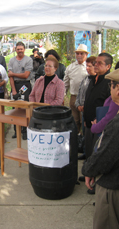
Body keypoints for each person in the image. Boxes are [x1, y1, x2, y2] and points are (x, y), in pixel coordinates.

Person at [82, 69, 119, 229]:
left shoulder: (117, 125)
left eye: (111, 85)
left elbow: (106, 155)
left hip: (113, 186)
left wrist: (89, 170)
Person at [83, 53, 112, 194]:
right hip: (88, 124)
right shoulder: (93, 79)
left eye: (100, 63)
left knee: (97, 155)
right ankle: (88, 173)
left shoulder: (108, 83)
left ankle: (95, 183)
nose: (96, 65)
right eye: (96, 62)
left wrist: (98, 122)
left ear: (108, 66)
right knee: (89, 151)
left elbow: (109, 108)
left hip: (100, 127)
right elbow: (88, 100)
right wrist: (85, 118)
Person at [8, 41, 33, 140]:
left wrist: (13, 74)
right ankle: (16, 130)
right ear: (15, 49)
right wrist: (13, 90)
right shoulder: (11, 60)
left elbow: (26, 75)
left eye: (21, 49)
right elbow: (10, 77)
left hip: (25, 85)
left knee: (24, 108)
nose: (20, 51)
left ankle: (25, 130)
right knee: (15, 108)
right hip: (15, 84)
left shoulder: (28, 60)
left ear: (24, 49)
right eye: (18, 49)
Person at [63, 44, 88, 133]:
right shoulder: (70, 67)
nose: (79, 55)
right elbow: (65, 84)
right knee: (74, 120)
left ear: (86, 55)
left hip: (85, 98)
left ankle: (84, 140)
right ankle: (76, 139)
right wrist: (63, 96)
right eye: (77, 53)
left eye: (82, 53)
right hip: (73, 97)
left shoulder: (88, 67)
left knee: (83, 121)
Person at [75, 56, 96, 160]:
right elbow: (79, 93)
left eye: (90, 66)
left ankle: (91, 156)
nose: (87, 68)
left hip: (92, 112)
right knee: (84, 133)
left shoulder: (97, 81)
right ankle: (85, 152)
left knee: (92, 135)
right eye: (86, 66)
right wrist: (78, 104)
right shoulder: (85, 79)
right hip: (83, 111)